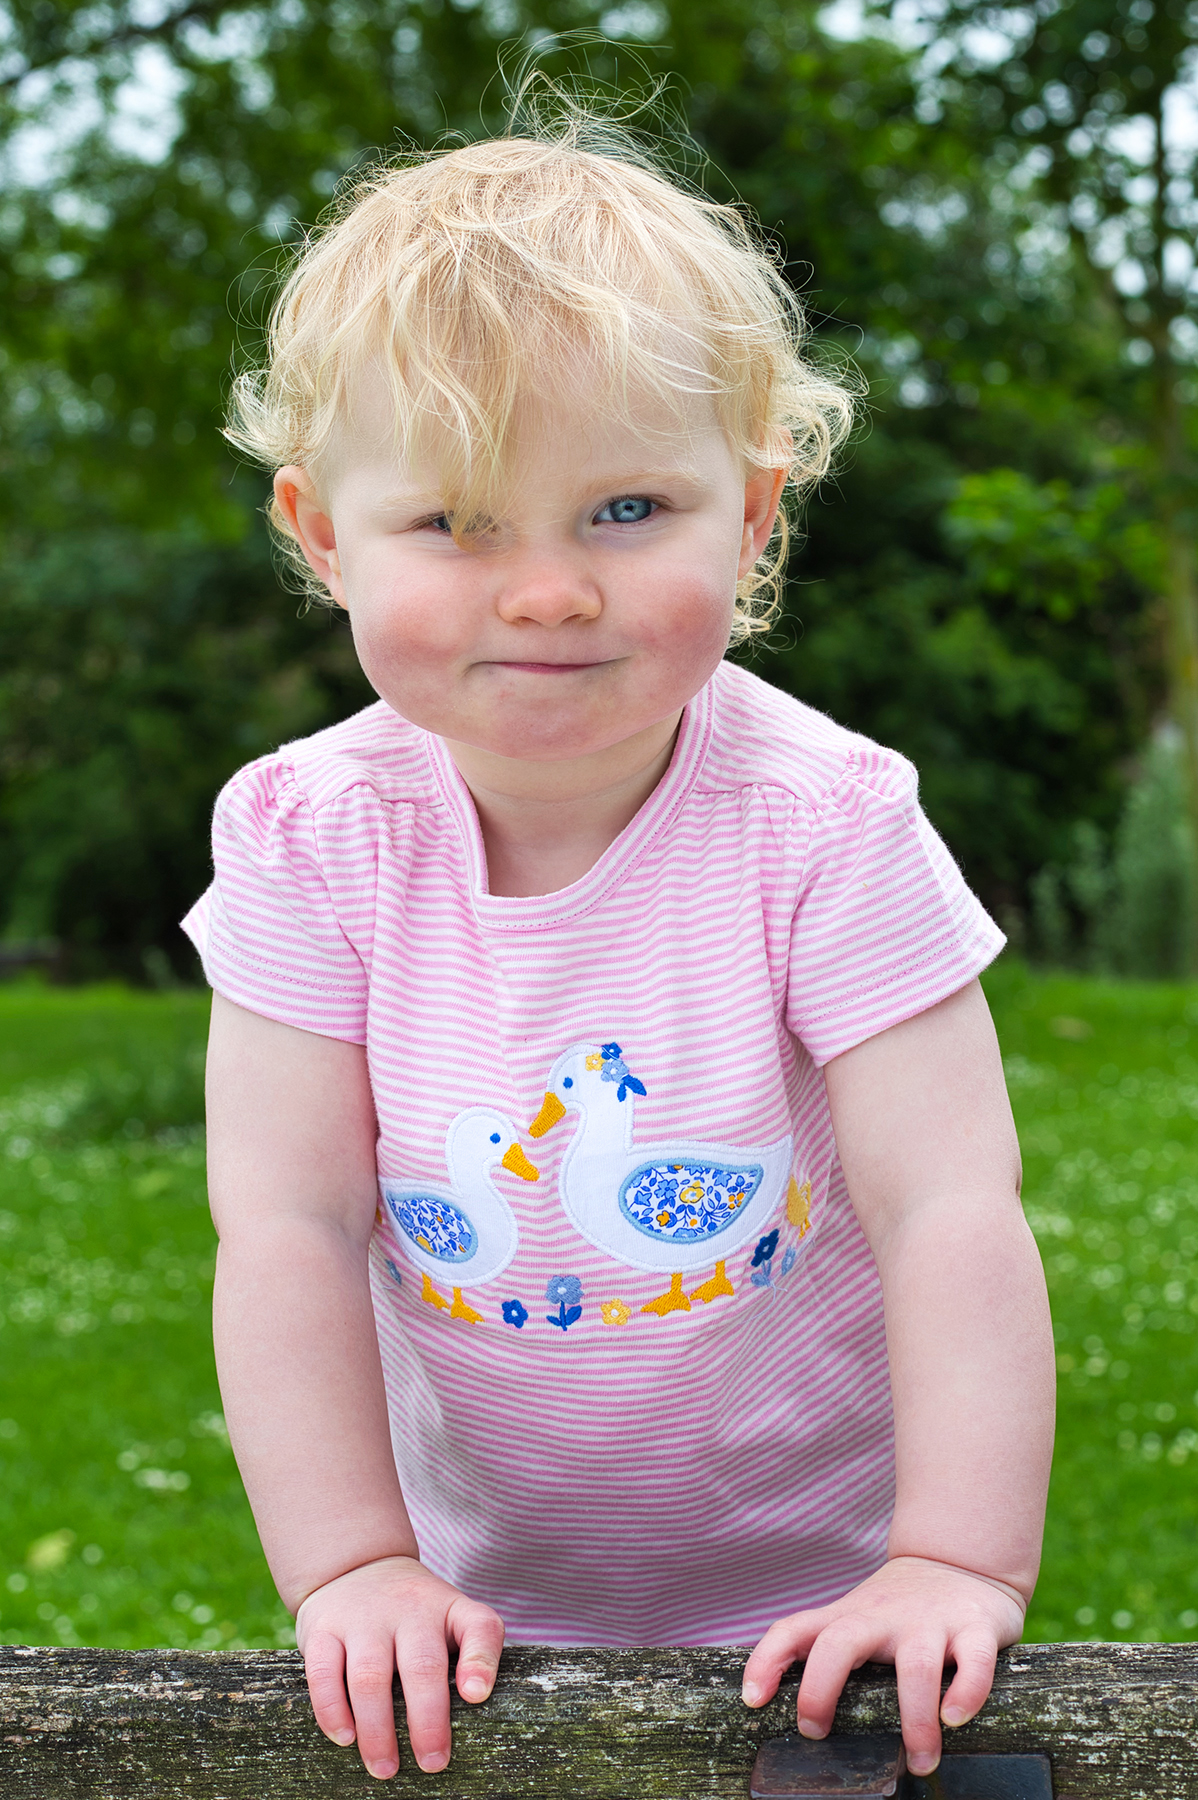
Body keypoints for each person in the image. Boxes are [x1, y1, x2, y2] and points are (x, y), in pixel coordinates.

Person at [183, 113, 1055, 1786]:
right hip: (472, 1604)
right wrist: (355, 1563)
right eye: (452, 525)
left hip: (830, 1595)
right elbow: (284, 1221)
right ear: (319, 534)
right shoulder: (305, 834)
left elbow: (946, 1204)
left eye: (623, 507)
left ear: (749, 516)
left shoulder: (828, 821)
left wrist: (951, 1557)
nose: (546, 594)